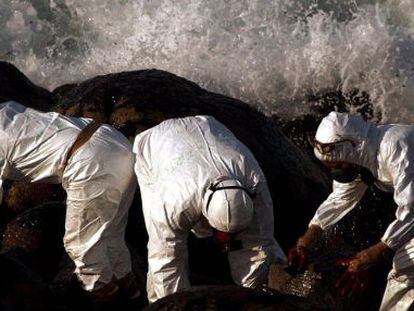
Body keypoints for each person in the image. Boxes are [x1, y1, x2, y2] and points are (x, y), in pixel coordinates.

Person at [133, 115, 286, 302]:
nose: (228, 242)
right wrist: (175, 304)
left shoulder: (255, 182)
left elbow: (259, 243)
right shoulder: (174, 205)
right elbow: (166, 263)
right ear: (205, 216)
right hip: (154, 146)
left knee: (260, 250)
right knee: (162, 254)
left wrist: (253, 298)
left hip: (207, 126)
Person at [0, 101, 139, 302]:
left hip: (89, 160)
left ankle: (103, 298)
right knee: (111, 239)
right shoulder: (6, 109)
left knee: (81, 247)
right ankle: (134, 297)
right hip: (113, 141)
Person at [289, 111, 414, 311]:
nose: (335, 171)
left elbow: (411, 211)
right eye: (329, 167)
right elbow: (340, 199)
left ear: (353, 147)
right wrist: (307, 240)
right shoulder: (362, 158)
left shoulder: (395, 146)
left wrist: (370, 255)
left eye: (338, 165)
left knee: (406, 267)